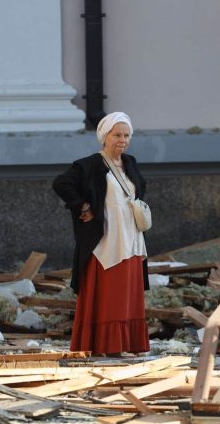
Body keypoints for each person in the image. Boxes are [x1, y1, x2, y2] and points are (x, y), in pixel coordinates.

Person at [52, 112, 149, 356]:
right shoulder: (90, 164)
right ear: (104, 137)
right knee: (111, 294)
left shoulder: (130, 162)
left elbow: (139, 189)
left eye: (126, 135)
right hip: (106, 239)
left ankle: (127, 344)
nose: (122, 140)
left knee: (128, 293)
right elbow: (61, 183)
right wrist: (83, 206)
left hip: (131, 237)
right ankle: (105, 346)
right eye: (117, 135)